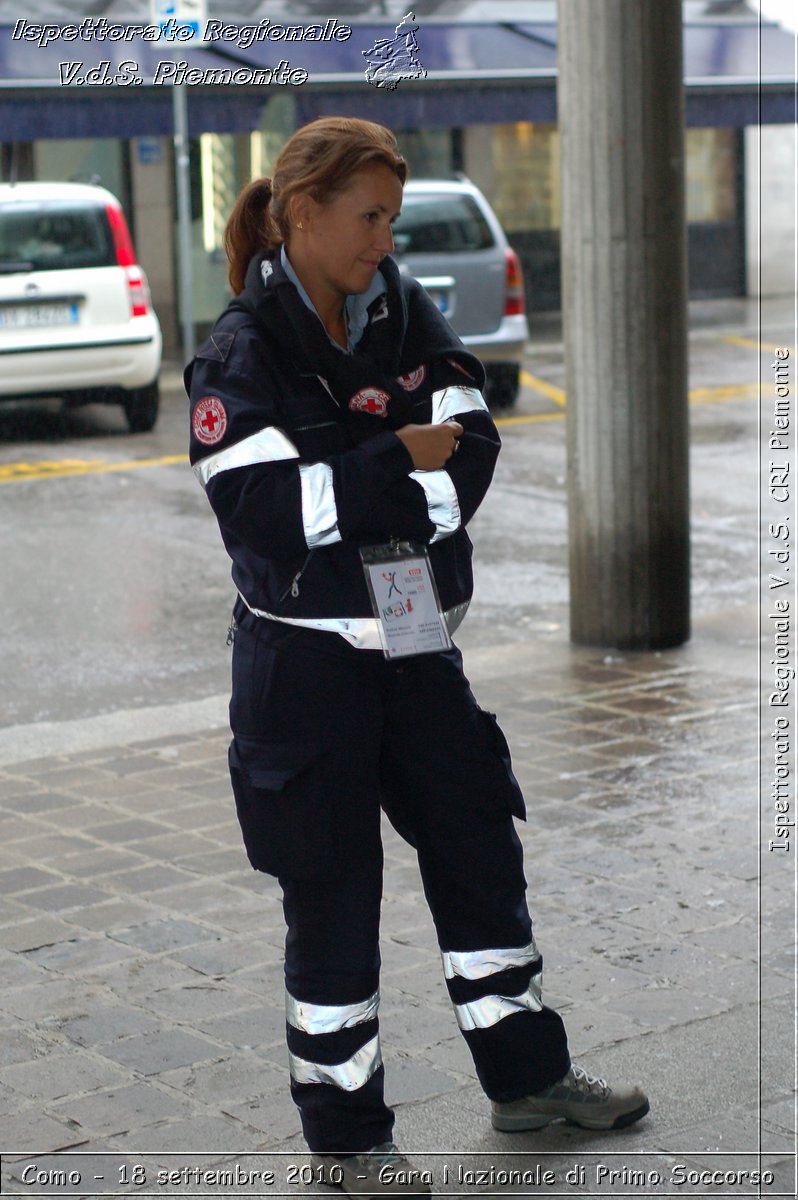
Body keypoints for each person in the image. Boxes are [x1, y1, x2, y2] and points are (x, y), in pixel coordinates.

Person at [185, 116, 648, 1198]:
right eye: (368, 217)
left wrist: (366, 482)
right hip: (303, 663)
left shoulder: (399, 303)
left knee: (480, 847)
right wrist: (392, 454)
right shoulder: (241, 347)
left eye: (392, 218)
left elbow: (470, 446)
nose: (384, 241)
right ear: (302, 212)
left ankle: (529, 1085)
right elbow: (259, 513)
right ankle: (347, 1142)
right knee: (335, 895)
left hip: (412, 629)